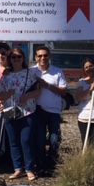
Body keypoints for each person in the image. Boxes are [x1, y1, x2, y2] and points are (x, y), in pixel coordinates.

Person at [0, 47, 41, 181]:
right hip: (10, 111)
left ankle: (29, 168)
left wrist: (27, 96)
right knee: (13, 141)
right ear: (9, 59)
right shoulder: (5, 76)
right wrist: (7, 94)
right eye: (13, 57)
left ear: (23, 58)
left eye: (19, 57)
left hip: (27, 111)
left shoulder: (30, 73)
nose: (16, 59)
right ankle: (17, 169)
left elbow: (38, 91)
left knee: (26, 140)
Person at [31, 45, 67, 175]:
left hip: (54, 111)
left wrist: (47, 85)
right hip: (38, 110)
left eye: (45, 55)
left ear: (49, 56)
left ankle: (51, 165)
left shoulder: (57, 71)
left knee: (54, 139)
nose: (42, 58)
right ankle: (40, 166)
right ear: (35, 57)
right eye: (40, 55)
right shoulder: (31, 71)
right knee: (39, 140)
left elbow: (63, 92)